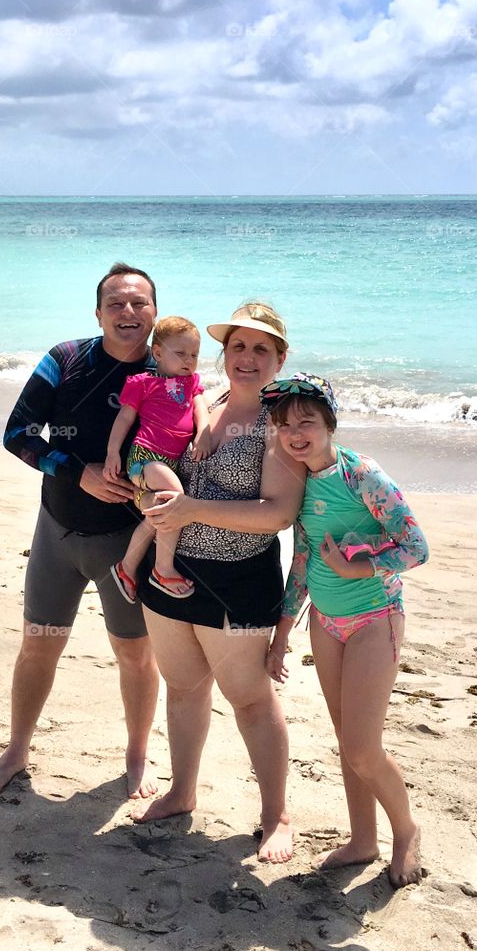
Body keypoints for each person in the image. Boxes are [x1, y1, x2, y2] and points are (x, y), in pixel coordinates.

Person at [132, 303, 307, 863]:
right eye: (238, 347)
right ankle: (182, 792)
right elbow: (158, 473)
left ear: (280, 359)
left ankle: (276, 814)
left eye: (261, 349)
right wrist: (152, 500)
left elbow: (277, 514)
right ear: (224, 355)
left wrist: (190, 510)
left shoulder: (280, 425)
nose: (248, 358)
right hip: (171, 572)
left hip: (239, 580)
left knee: (251, 700)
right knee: (182, 688)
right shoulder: (204, 402)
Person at [0, 263, 161, 799]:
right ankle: (17, 747)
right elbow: (18, 432)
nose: (128, 312)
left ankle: (137, 754)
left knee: (134, 653)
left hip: (125, 544)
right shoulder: (65, 360)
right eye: (117, 303)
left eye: (139, 303)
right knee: (39, 643)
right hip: (56, 532)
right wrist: (74, 470)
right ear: (99, 312)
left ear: (154, 310)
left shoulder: (167, 374)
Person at [262, 374, 429, 888]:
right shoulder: (300, 482)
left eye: (307, 421)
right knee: (346, 740)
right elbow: (305, 559)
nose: (295, 432)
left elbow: (416, 547)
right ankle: (363, 839)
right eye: (285, 424)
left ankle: (406, 831)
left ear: (329, 424)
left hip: (375, 618)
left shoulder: (363, 476)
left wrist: (362, 568)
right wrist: (283, 630)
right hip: (324, 624)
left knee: (362, 746)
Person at [105, 316, 212, 602]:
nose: (189, 360)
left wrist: (203, 432)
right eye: (181, 353)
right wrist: (112, 452)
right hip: (144, 458)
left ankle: (126, 568)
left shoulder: (192, 383)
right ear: (158, 353)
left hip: (170, 464)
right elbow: (124, 418)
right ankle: (163, 569)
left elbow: (201, 409)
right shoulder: (143, 383)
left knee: (159, 513)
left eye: (194, 355)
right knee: (176, 500)